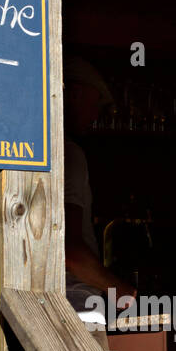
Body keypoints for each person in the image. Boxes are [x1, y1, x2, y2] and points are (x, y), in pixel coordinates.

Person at [63, 55, 136, 324]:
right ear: (72, 95)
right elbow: (70, 251)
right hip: (79, 310)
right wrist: (121, 290)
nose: (95, 115)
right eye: (94, 104)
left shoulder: (46, 152)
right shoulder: (70, 154)